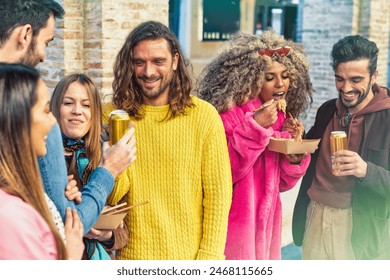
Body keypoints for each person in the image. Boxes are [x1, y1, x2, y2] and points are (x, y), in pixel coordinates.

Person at [0, 0, 136, 234]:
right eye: (46, 42)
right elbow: (69, 227)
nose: (43, 56)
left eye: (85, 105)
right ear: (25, 34)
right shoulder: (39, 125)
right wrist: (109, 170)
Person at [102, 21, 232, 260]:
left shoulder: (203, 116)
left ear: (174, 61)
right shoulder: (113, 115)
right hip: (129, 259)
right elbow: (110, 197)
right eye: (139, 62)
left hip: (189, 259)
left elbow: (218, 196)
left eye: (158, 62)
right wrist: (114, 152)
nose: (148, 72)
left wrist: (209, 259)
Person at [196, 30, 313, 260]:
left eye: (285, 76)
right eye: (270, 77)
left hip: (267, 232)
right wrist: (255, 129)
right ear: (250, 78)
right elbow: (222, 173)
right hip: (234, 231)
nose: (280, 84)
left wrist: (294, 156)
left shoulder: (279, 117)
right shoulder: (228, 115)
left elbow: (280, 184)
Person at [292, 35, 390, 260]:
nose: (346, 88)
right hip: (314, 214)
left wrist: (366, 170)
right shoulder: (327, 110)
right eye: (340, 79)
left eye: (356, 79)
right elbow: (309, 154)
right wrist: (297, 140)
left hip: (360, 227)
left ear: (374, 76)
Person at [0, 63, 84, 260]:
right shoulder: (11, 217)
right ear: (19, 120)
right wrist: (70, 258)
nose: (52, 121)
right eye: (47, 111)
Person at [50, 73, 132, 260]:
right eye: (68, 103)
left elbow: (123, 231)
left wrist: (106, 235)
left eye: (86, 105)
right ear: (56, 107)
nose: (77, 111)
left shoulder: (102, 157)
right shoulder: (44, 156)